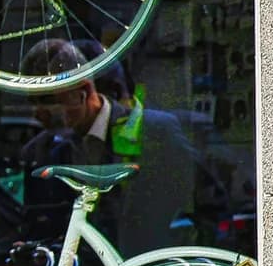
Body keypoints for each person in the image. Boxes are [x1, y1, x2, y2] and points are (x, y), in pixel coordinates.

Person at [16, 38, 197, 253]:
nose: (37, 113)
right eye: (32, 102)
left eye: (47, 101)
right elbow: (36, 226)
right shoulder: (40, 151)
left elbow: (201, 203)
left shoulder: (157, 132)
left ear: (83, 93)